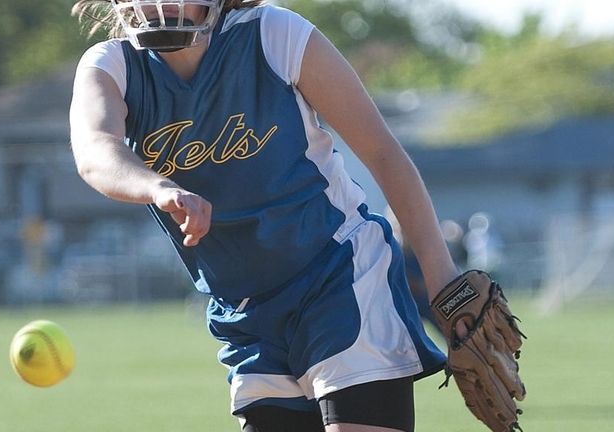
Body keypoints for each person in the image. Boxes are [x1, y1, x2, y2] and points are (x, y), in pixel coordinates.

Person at [68, 1, 461, 431]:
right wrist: (158, 187)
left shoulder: (274, 34)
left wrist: (444, 286)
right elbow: (95, 151)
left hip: (338, 277)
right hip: (245, 312)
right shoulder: (113, 65)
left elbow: (384, 154)